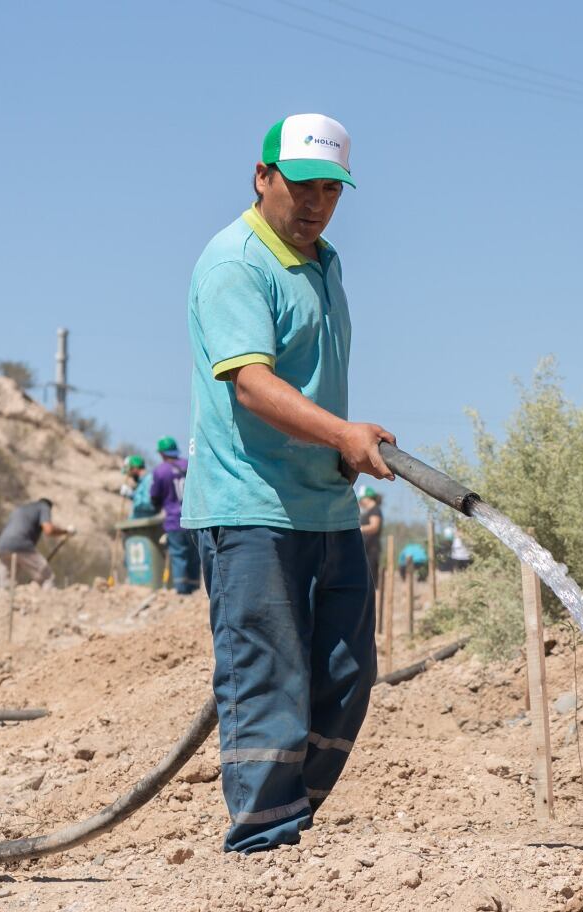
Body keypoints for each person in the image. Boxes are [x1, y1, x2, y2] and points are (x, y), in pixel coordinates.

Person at [183, 112, 395, 853]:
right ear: (262, 177)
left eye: (331, 190)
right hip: (252, 507)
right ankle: (262, 843)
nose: (314, 204)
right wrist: (343, 433)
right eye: (300, 187)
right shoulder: (236, 263)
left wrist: (337, 449)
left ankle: (289, 820)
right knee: (267, 682)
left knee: (347, 674)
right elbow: (252, 386)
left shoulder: (324, 263)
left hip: (325, 503)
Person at [150, 436, 199, 594]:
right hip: (193, 518)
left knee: (178, 555)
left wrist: (160, 509)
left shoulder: (160, 471)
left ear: (162, 454)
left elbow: (155, 497)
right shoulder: (189, 464)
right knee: (194, 555)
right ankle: (195, 588)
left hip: (173, 520)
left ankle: (182, 591)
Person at [0, 498, 72, 588]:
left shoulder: (20, 509)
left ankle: (6, 601)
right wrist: (65, 531)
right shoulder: (44, 507)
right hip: (21, 544)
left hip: (3, 546)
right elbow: (48, 530)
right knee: (47, 578)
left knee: (7, 585)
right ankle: (47, 600)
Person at [357, 485, 383, 579]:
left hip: (372, 550)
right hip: (366, 550)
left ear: (367, 498)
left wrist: (358, 529)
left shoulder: (375, 510)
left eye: (361, 499)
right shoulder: (369, 512)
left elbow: (374, 527)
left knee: (371, 581)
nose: (360, 502)